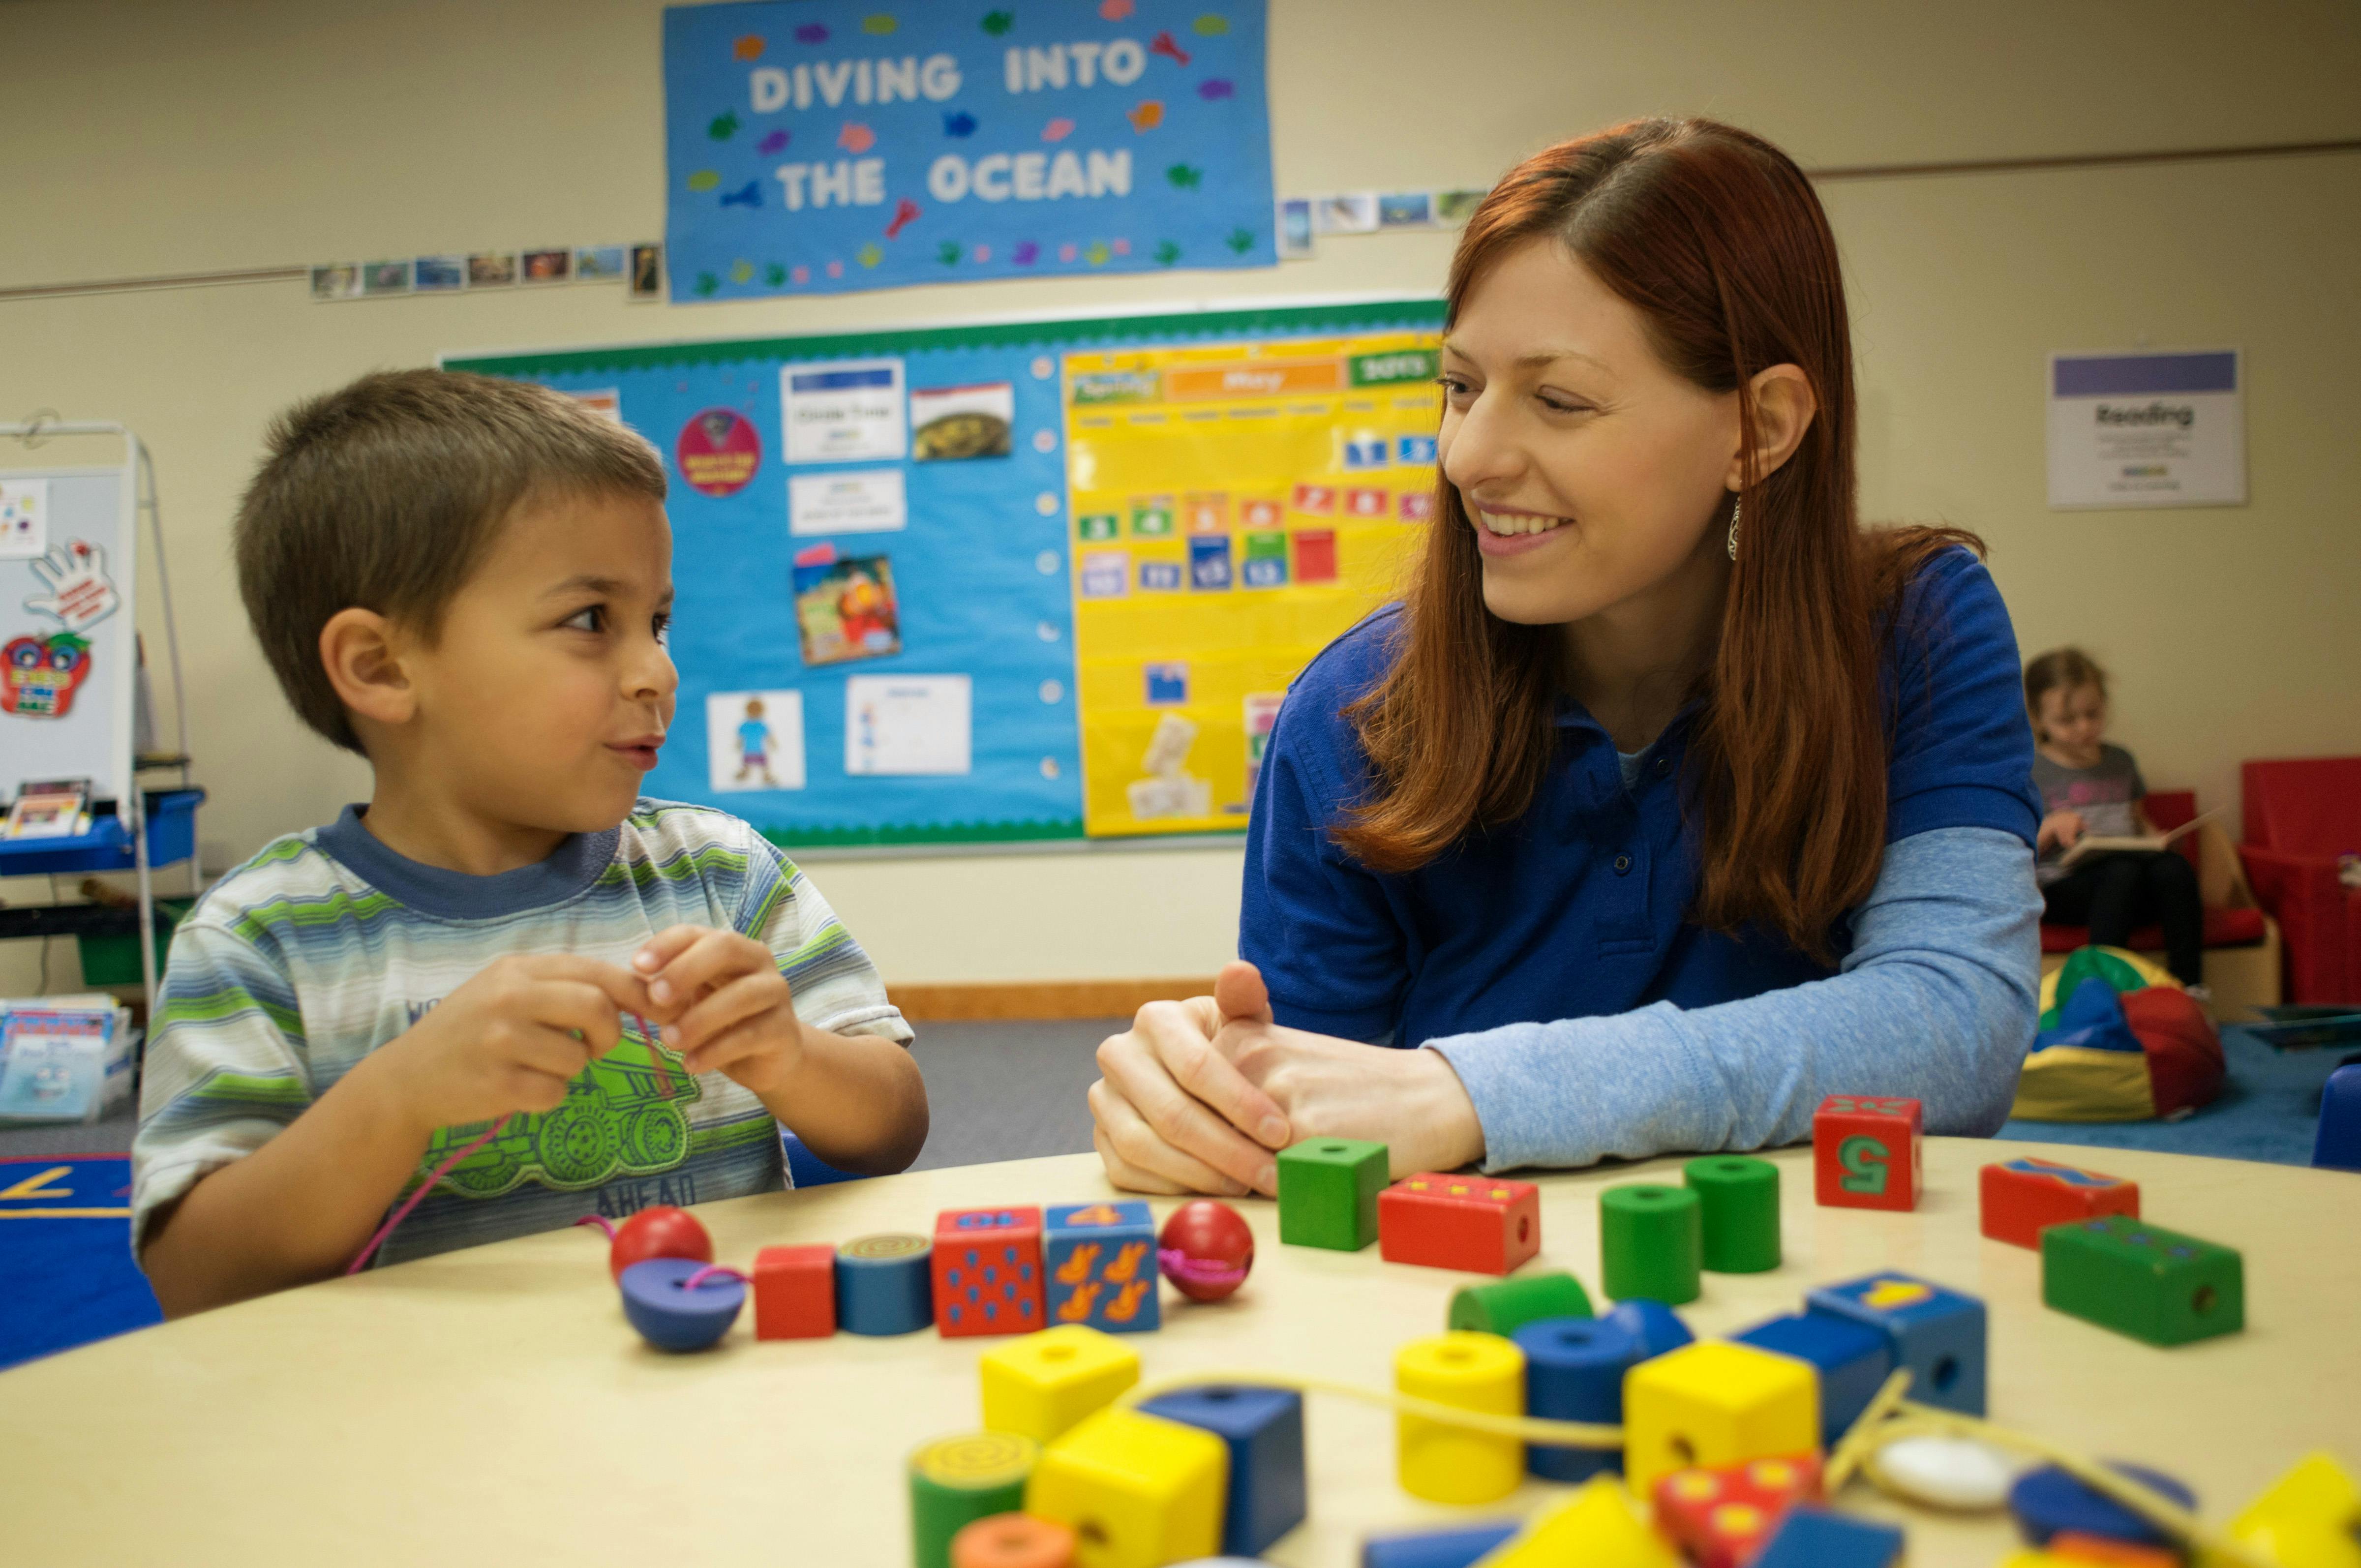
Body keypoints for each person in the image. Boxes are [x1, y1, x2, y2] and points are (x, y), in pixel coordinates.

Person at [1088, 118, 2045, 1197]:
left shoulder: (1917, 626)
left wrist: (1475, 1093)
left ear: (1761, 428)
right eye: (1460, 386)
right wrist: (1198, 1117)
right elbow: (1306, 1148)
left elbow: (1958, 1022)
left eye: (1559, 400)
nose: (1468, 456)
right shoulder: (1351, 714)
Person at [134, 370, 928, 1315]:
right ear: (382, 666)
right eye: (591, 621)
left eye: (658, 621)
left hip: (714, 1375)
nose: (658, 670)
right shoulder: (259, 939)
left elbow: (893, 1124)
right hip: (421, 1398)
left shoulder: (719, 869)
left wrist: (790, 1053)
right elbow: (197, 1276)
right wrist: (397, 1098)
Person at [2024, 646, 2206, 993]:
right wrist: (2050, 829)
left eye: (2093, 714)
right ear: (2037, 719)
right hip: (2064, 888)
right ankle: (2103, 990)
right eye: (2067, 720)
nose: (2084, 727)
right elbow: (2012, 854)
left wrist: (2159, 841)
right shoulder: (2032, 770)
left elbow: (2138, 824)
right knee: (2121, 873)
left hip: (2129, 883)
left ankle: (2191, 989)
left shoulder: (2121, 761)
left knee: (2174, 869)